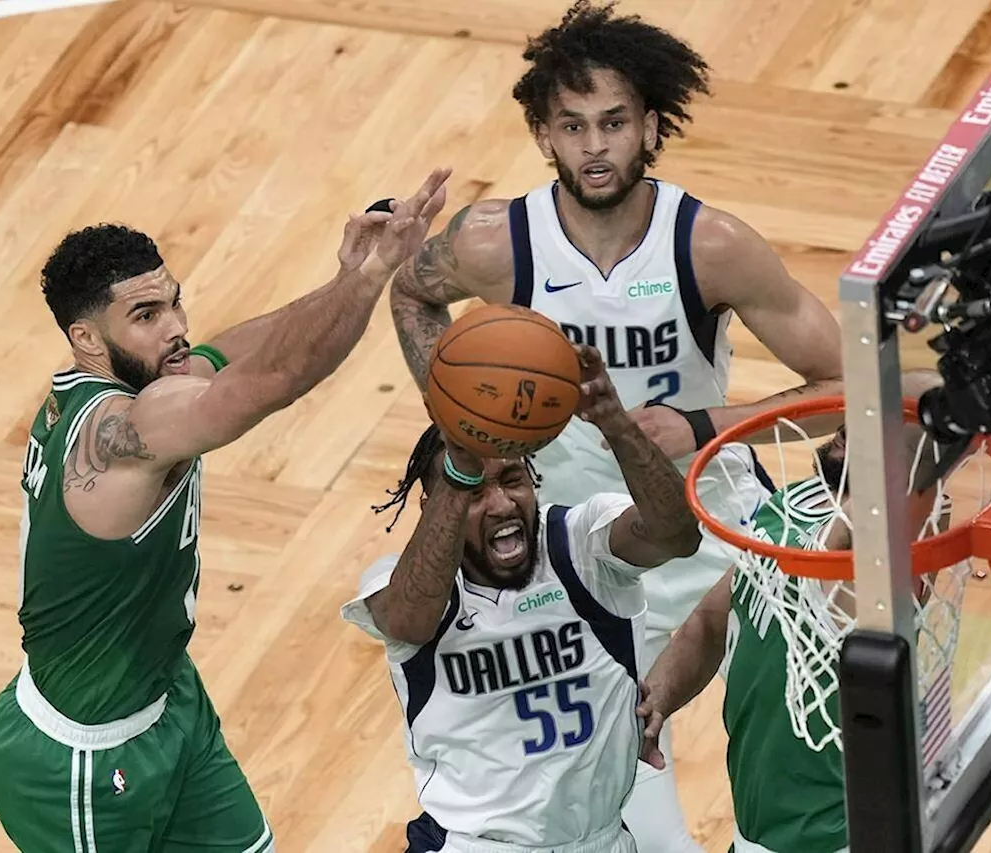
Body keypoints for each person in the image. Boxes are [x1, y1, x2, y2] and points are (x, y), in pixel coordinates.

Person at [387, 2, 842, 847]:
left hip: (712, 529)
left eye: (614, 123)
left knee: (800, 766)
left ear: (651, 127)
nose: (594, 146)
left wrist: (704, 420)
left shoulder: (712, 246)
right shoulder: (498, 243)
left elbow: (845, 381)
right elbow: (412, 291)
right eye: (573, 126)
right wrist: (461, 416)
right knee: (614, 802)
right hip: (589, 552)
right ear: (544, 136)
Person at [0, 168, 451, 853]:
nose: (175, 330)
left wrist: (342, 279)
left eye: (173, 302)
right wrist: (372, 276)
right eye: (146, 316)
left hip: (166, 703)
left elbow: (233, 353)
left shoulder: (140, 382)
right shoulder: (121, 438)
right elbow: (274, 381)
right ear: (84, 339)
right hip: (80, 765)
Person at [342, 345, 702, 853]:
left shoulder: (581, 543)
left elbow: (677, 535)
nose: (501, 503)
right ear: (437, 503)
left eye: (512, 479)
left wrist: (613, 421)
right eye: (473, 490)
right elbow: (408, 620)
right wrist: (457, 470)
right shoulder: (403, 584)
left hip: (602, 839)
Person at [635, 373, 952, 853]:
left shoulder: (882, 564)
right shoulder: (790, 504)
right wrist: (656, 702)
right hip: (756, 831)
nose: (849, 422)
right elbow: (708, 624)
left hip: (840, 839)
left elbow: (900, 511)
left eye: (873, 421)